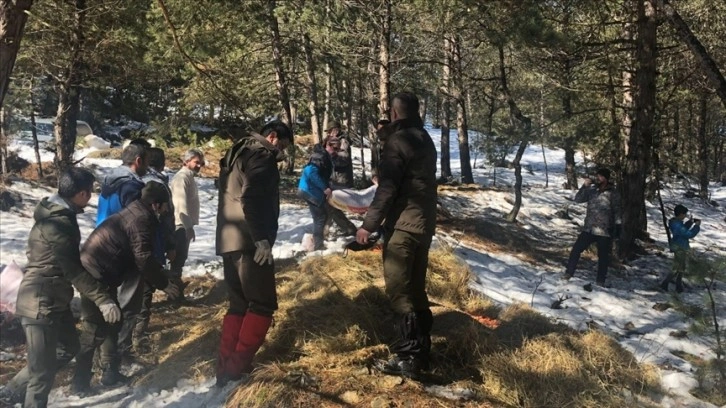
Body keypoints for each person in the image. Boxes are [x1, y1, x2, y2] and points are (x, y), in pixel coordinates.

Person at [1, 168, 121, 408]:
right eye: (88, 193)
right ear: (79, 194)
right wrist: (103, 299)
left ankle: (9, 393)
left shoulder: (58, 214)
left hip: (56, 298)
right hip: (40, 302)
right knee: (41, 375)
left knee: (68, 347)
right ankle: (17, 397)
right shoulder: (57, 222)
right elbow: (73, 269)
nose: (90, 198)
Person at [355, 92, 437, 379]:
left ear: (393, 113)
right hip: (423, 225)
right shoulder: (423, 138)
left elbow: (387, 189)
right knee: (416, 289)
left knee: (400, 292)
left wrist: (368, 225)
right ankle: (422, 353)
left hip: (404, 226)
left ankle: (407, 358)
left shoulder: (398, 141)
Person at [71, 182, 179, 393]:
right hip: (93, 273)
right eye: (165, 206)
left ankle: (110, 372)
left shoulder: (135, 211)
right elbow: (143, 258)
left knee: (113, 321)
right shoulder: (142, 219)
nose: (166, 210)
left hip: (104, 272)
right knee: (93, 329)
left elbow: (140, 255)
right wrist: (164, 284)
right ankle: (79, 382)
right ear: (156, 205)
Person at [215, 121, 292, 386]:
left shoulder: (236, 152)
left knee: (238, 304)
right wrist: (261, 239)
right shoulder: (261, 154)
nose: (281, 152)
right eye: (281, 145)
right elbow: (251, 197)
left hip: (228, 238)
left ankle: (224, 368)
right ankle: (237, 368)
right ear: (272, 137)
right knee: (262, 304)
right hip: (249, 241)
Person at [132, 147, 177, 353]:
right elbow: (166, 220)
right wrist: (170, 245)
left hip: (132, 248)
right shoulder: (157, 187)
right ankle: (136, 341)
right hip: (150, 246)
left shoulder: (133, 180)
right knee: (145, 293)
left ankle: (131, 339)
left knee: (135, 293)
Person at [563, 168, 622, 286]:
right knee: (576, 250)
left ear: (606, 178)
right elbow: (578, 199)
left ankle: (600, 281)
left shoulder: (613, 193)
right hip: (589, 228)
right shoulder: (592, 190)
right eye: (597, 176)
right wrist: (584, 186)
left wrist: (618, 226)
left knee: (603, 257)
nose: (597, 178)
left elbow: (617, 210)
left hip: (604, 230)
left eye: (600, 176)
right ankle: (569, 273)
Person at [169, 148, 204, 299]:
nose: (199, 166)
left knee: (180, 258)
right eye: (196, 162)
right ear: (186, 162)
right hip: (180, 224)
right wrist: (188, 226)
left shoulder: (189, 177)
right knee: (178, 258)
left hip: (184, 224)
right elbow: (180, 204)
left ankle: (175, 290)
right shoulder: (182, 178)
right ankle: (173, 292)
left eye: (201, 163)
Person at [298, 136, 337, 250]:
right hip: (310, 190)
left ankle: (317, 240)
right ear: (328, 145)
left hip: (313, 190)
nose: (336, 152)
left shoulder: (324, 155)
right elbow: (311, 173)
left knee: (322, 215)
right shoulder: (319, 156)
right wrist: (325, 187)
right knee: (320, 217)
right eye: (335, 149)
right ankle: (318, 245)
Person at [96, 143, 148, 226]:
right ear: (139, 161)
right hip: (120, 236)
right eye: (146, 162)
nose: (147, 167)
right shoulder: (131, 187)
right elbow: (136, 223)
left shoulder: (109, 179)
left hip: (101, 234)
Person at [661, 204, 701, 292]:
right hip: (680, 246)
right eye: (684, 214)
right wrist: (696, 226)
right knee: (677, 267)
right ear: (681, 214)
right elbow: (688, 234)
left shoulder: (676, 223)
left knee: (681, 266)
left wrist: (690, 223)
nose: (685, 216)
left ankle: (678, 286)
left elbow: (683, 230)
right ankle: (665, 283)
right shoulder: (678, 225)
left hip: (678, 245)